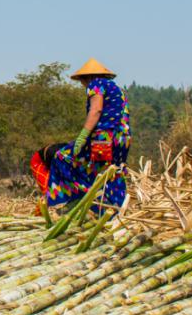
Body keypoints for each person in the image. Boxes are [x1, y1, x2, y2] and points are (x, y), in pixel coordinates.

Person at [30, 58, 132, 213]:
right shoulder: (117, 89)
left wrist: (83, 136)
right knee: (111, 173)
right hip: (122, 139)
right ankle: (115, 211)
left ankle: (84, 201)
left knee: (62, 158)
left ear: (87, 77)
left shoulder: (95, 84)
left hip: (103, 139)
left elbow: (96, 110)